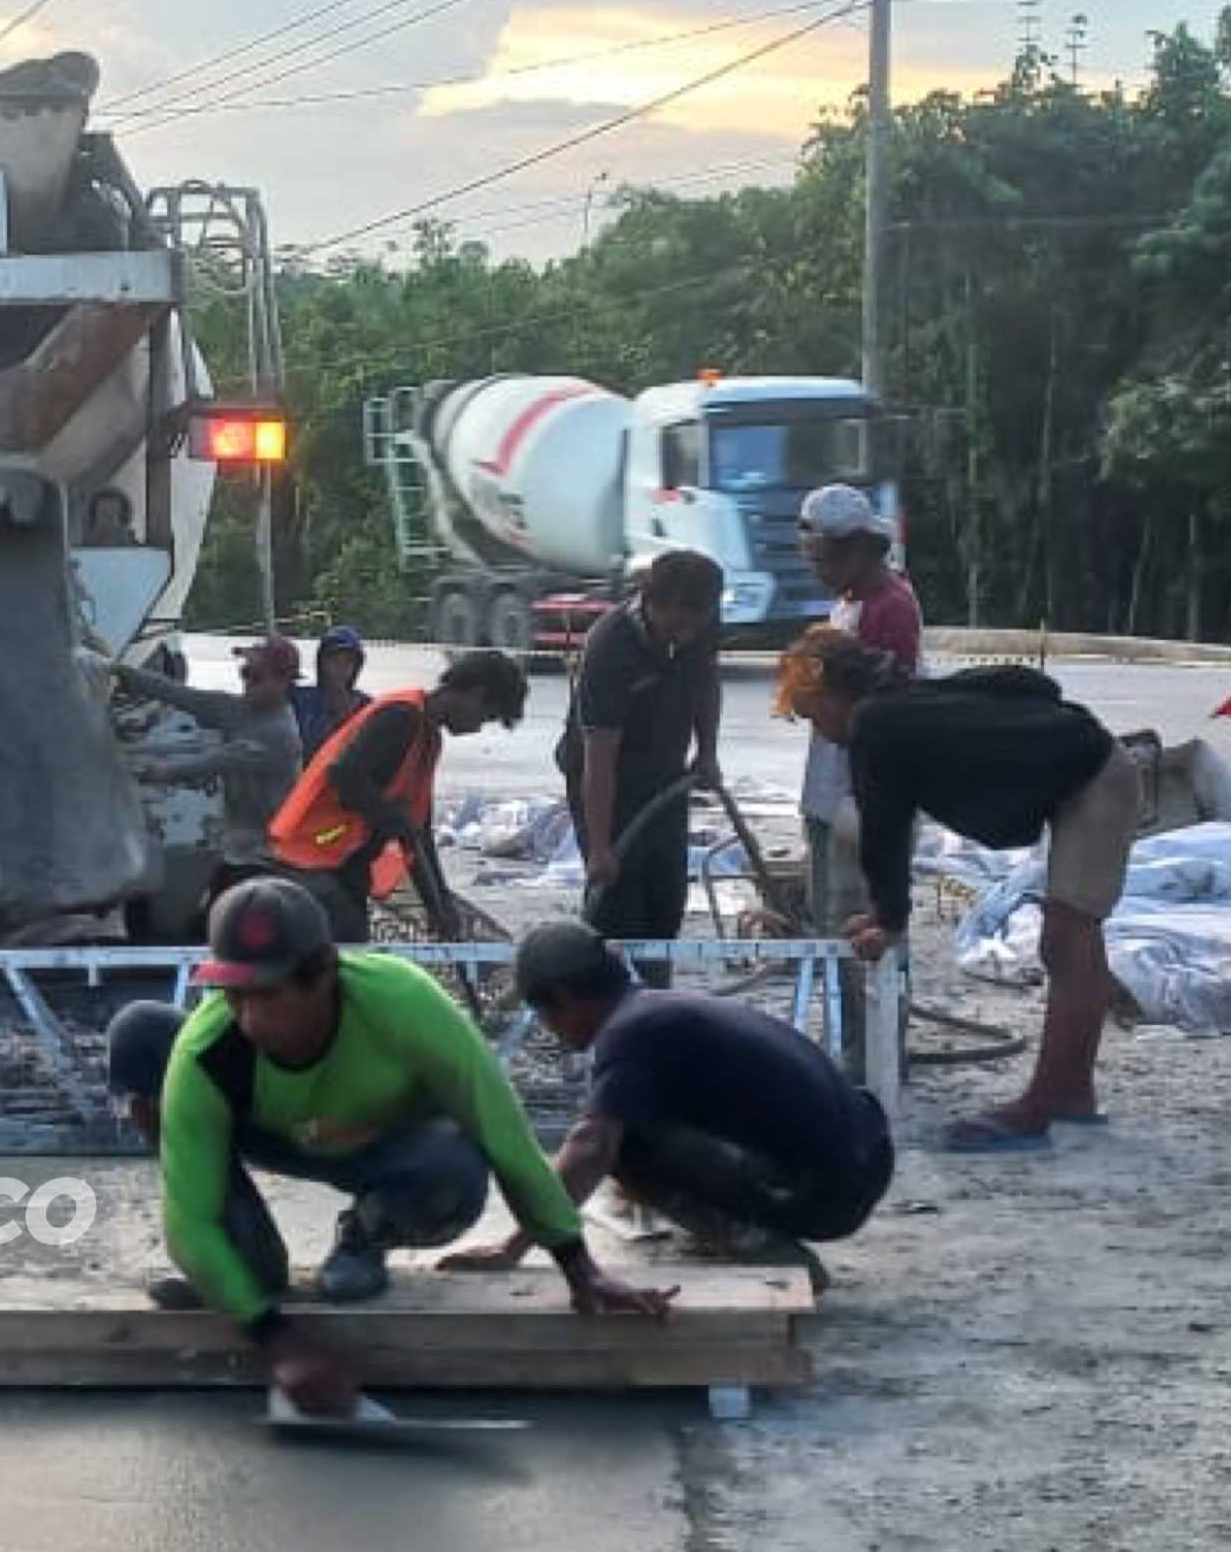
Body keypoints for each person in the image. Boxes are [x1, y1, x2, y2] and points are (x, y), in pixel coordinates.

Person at [105, 877, 676, 1416]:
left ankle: (363, 1236)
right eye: (233, 995)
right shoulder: (209, 1051)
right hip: (273, 1135)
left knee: (455, 1167)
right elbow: (190, 1224)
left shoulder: (403, 1002)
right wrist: (274, 1339)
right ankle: (245, 1271)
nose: (248, 1017)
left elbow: (505, 1136)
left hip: (389, 1150)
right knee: (245, 1276)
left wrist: (578, 1266)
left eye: (267, 995)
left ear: (323, 973)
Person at [776, 626, 1140, 1151]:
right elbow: (1030, 686)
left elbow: (884, 827)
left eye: (811, 713)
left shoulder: (873, 722)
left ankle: (1048, 1102)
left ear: (830, 692)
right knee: (1069, 941)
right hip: (1087, 769)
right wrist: (887, 915)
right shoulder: (900, 702)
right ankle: (1070, 1092)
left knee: (1068, 939)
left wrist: (890, 923)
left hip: (1095, 776)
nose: (818, 729)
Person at [443, 923, 894, 1294]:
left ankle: (763, 1249)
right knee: (627, 1126)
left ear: (563, 998)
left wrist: (515, 1246)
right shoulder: (657, 1010)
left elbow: (591, 1146)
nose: (552, 1030)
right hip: (866, 1158)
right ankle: (739, 1216)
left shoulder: (629, 1032)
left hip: (829, 1193)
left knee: (621, 1147)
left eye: (546, 1016)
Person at [267, 649, 528, 943]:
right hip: (310, 855)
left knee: (351, 953)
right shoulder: (401, 716)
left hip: (341, 862)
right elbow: (344, 774)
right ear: (476, 694)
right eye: (486, 716)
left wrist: (438, 904)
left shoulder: (427, 739)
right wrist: (391, 817)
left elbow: (417, 833)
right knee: (346, 954)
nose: (478, 727)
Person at [557, 549, 724, 983]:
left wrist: (707, 752)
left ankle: (654, 999)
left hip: (666, 776)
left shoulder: (702, 625)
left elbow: (707, 680)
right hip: (605, 777)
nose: (685, 633)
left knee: (665, 898)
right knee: (617, 906)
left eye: (697, 621)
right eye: (676, 621)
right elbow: (599, 755)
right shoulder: (610, 647)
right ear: (652, 603)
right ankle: (607, 1012)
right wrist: (599, 846)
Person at [796, 484, 925, 932]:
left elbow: (888, 714)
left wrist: (814, 704)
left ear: (855, 552)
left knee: (859, 922)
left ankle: (874, 1004)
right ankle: (848, 1003)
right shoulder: (849, 601)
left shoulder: (890, 608)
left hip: (863, 791)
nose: (816, 570)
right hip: (832, 787)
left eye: (822, 561)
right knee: (831, 916)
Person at [110, 635, 304, 883]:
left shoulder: (281, 734)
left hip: (269, 861)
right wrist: (121, 673)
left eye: (256, 676)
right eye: (245, 672)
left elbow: (220, 760)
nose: (247, 682)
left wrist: (163, 771)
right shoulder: (236, 708)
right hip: (235, 850)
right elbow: (178, 693)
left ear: (284, 682)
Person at [290, 626, 371, 758]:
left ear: (357, 666)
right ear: (321, 662)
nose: (341, 667)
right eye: (335, 660)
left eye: (348, 662)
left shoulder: (366, 706)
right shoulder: (300, 699)